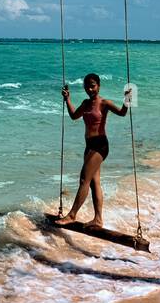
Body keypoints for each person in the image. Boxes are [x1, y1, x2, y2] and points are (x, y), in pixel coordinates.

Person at [54, 72, 128, 229]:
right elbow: (74, 116)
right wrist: (67, 99)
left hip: (100, 145)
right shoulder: (86, 103)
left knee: (83, 180)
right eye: (87, 86)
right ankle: (98, 219)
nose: (90, 89)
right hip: (89, 146)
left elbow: (122, 113)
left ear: (99, 86)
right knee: (94, 182)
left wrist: (128, 98)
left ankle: (72, 215)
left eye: (93, 86)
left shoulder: (104, 103)